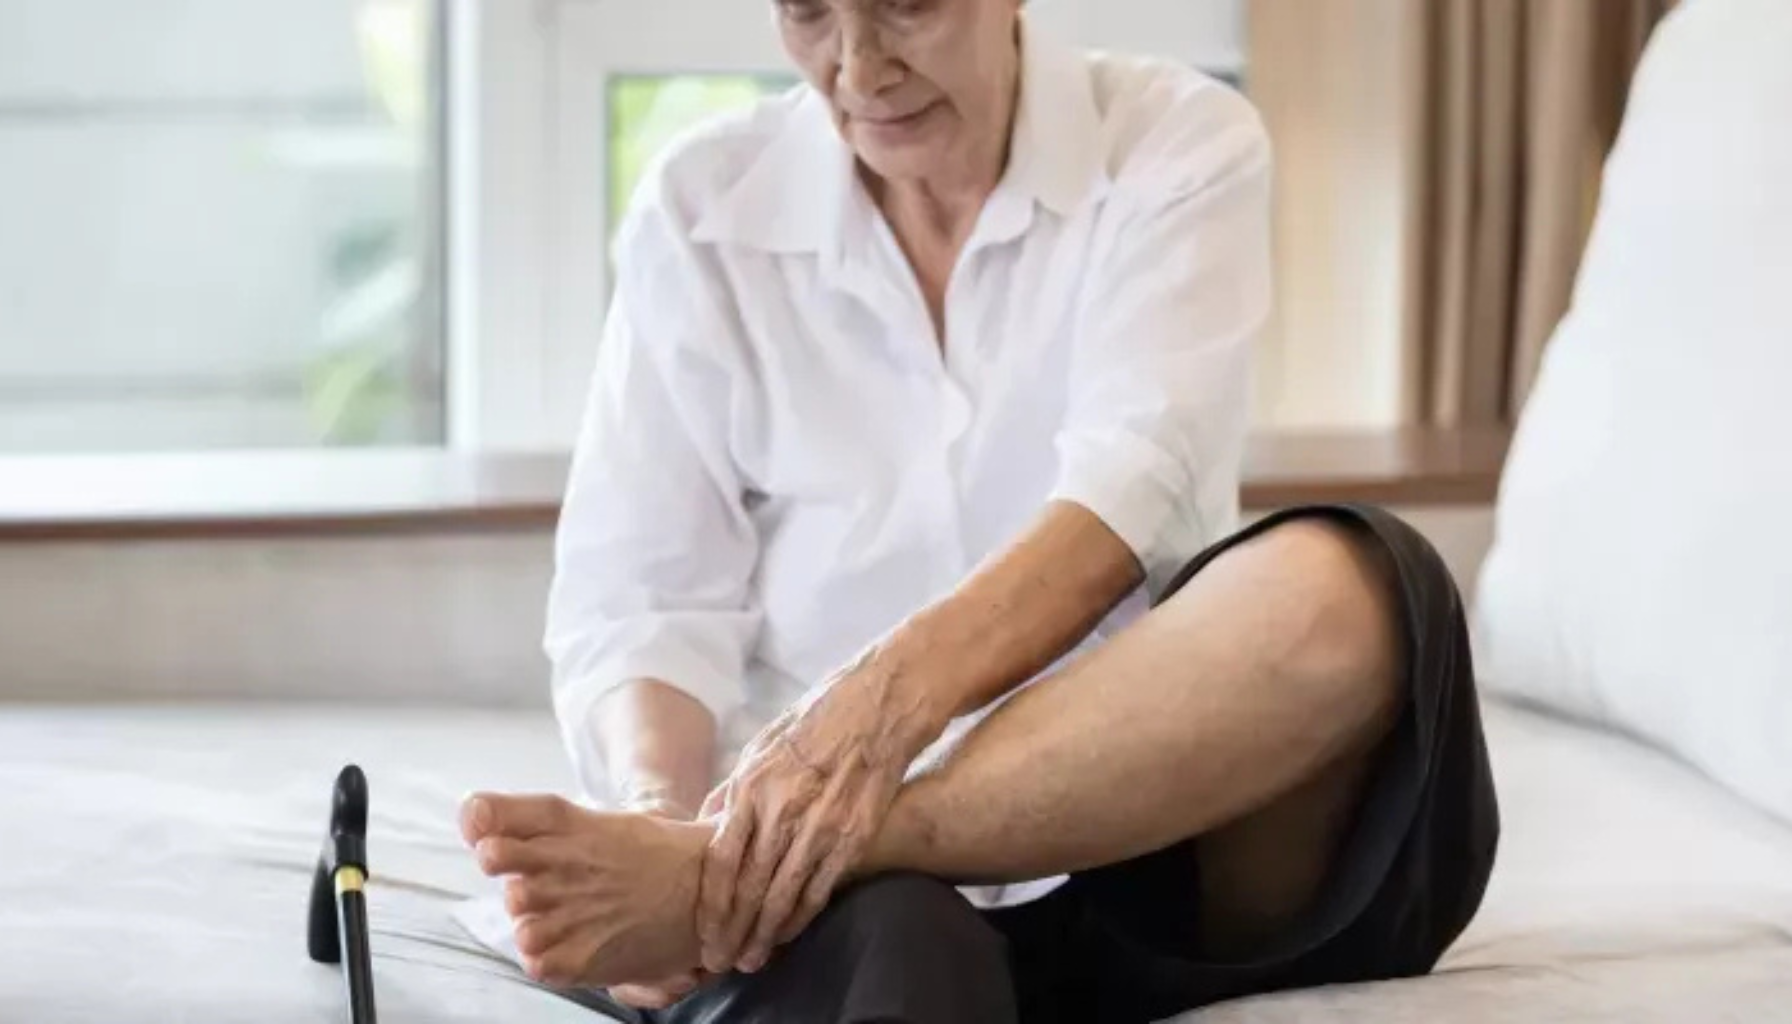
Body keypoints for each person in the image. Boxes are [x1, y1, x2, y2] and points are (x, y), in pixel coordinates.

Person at [459, 1, 1499, 1021]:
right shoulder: (701, 207)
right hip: (847, 925)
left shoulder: (1176, 143)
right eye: (808, 13)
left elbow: (1129, 499)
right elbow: (642, 600)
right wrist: (654, 811)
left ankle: (760, 862)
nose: (858, 69)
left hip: (1141, 839)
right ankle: (758, 868)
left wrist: (858, 730)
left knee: (1358, 583)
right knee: (905, 937)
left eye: (905, 6)